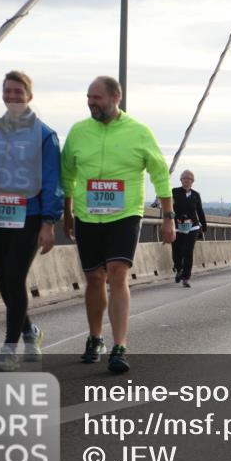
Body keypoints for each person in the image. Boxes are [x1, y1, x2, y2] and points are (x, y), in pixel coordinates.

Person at [61, 76, 175, 374]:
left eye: (96, 97)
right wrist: (67, 211)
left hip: (124, 215)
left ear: (116, 97)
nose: (91, 103)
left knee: (117, 274)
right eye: (88, 97)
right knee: (94, 279)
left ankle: (120, 345)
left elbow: (160, 174)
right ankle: (96, 337)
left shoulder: (138, 132)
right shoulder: (78, 131)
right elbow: (67, 174)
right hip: (87, 215)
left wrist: (168, 217)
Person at [0, 72, 62, 371]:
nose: (12, 96)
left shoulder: (44, 134)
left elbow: (53, 180)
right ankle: (30, 331)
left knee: (14, 277)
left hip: (29, 215)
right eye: (7, 91)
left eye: (18, 91)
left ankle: (9, 348)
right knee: (4, 283)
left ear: (29, 95)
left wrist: (49, 222)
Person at [171, 170, 207, 287]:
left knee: (188, 251)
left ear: (192, 181)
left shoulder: (196, 195)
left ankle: (186, 277)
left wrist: (204, 225)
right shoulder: (174, 192)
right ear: (181, 180)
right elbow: (168, 207)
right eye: (184, 178)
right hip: (177, 226)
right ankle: (179, 269)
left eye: (189, 178)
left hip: (193, 226)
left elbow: (200, 211)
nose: (186, 180)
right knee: (177, 251)